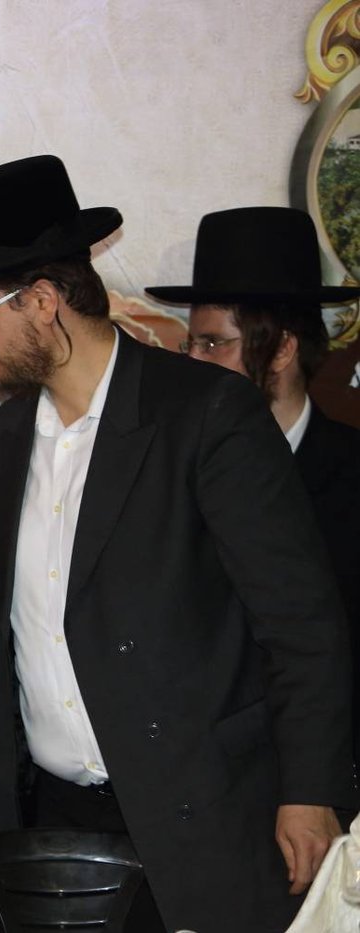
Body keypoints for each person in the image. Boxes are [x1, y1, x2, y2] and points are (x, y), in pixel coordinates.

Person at [0, 156, 355, 931]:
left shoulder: (205, 414)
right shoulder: (9, 435)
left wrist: (310, 790)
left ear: (42, 300)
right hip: (55, 823)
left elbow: (302, 622)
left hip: (202, 819)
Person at [147, 206, 360, 761]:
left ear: (283, 349)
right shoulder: (162, 472)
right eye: (189, 345)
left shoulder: (352, 475)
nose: (193, 362)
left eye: (212, 343)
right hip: (195, 775)